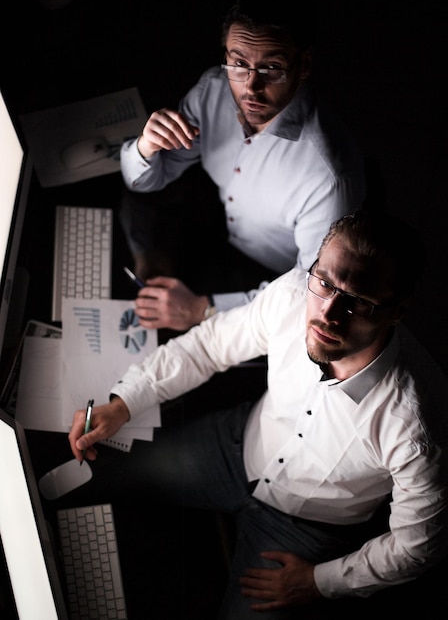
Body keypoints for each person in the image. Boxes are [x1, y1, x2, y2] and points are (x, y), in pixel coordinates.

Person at [69, 209, 448, 618]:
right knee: (86, 474)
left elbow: (418, 544)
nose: (328, 314)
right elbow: (210, 345)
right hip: (235, 447)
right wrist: (124, 402)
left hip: (305, 530)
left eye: (359, 302)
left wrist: (320, 582)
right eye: (324, 283)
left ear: (397, 311)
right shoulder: (291, 295)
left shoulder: (416, 423)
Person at [119, 0, 367, 331]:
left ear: (304, 66)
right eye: (239, 64)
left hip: (268, 273)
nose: (251, 87)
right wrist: (146, 147)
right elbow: (147, 181)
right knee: (134, 196)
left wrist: (200, 310)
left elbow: (306, 297)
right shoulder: (213, 90)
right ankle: (155, 266)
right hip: (215, 217)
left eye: (272, 69)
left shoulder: (329, 179)